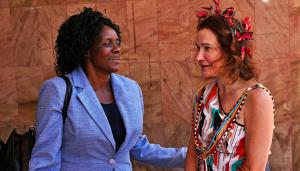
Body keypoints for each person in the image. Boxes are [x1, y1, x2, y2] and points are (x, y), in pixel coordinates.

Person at [29, 7, 186, 171]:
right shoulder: (57, 91)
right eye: (108, 44)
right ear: (87, 51)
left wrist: (190, 156)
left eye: (117, 42)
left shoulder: (131, 89)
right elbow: (45, 161)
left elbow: (136, 147)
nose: (117, 49)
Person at [185, 1, 274, 171]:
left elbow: (253, 168)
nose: (198, 57)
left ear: (230, 50)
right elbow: (193, 154)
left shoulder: (256, 98)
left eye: (207, 48)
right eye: (198, 48)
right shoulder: (203, 95)